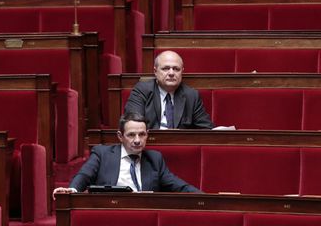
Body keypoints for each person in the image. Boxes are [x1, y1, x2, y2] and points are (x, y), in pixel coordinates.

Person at [52, 112, 200, 197]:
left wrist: (208, 198)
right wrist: (72, 189)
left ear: (147, 135)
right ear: (120, 136)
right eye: (131, 135)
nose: (137, 140)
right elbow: (84, 175)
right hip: (110, 214)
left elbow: (178, 186)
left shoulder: (155, 159)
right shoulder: (102, 154)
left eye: (142, 135)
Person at [124, 50, 214, 129]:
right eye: (166, 68)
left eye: (176, 69)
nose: (171, 73)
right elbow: (133, 125)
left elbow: (206, 129)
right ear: (155, 71)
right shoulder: (142, 90)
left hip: (179, 145)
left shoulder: (191, 95)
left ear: (182, 71)